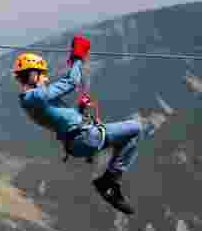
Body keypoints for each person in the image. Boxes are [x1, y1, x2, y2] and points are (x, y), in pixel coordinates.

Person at [14, 34, 145, 214]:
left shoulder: (35, 101)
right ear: (32, 75)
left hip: (79, 140)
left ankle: (110, 180)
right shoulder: (35, 96)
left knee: (130, 136)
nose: (46, 77)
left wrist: (80, 109)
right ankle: (109, 181)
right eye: (42, 74)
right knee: (136, 128)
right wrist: (77, 58)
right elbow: (71, 81)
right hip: (84, 138)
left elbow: (62, 119)